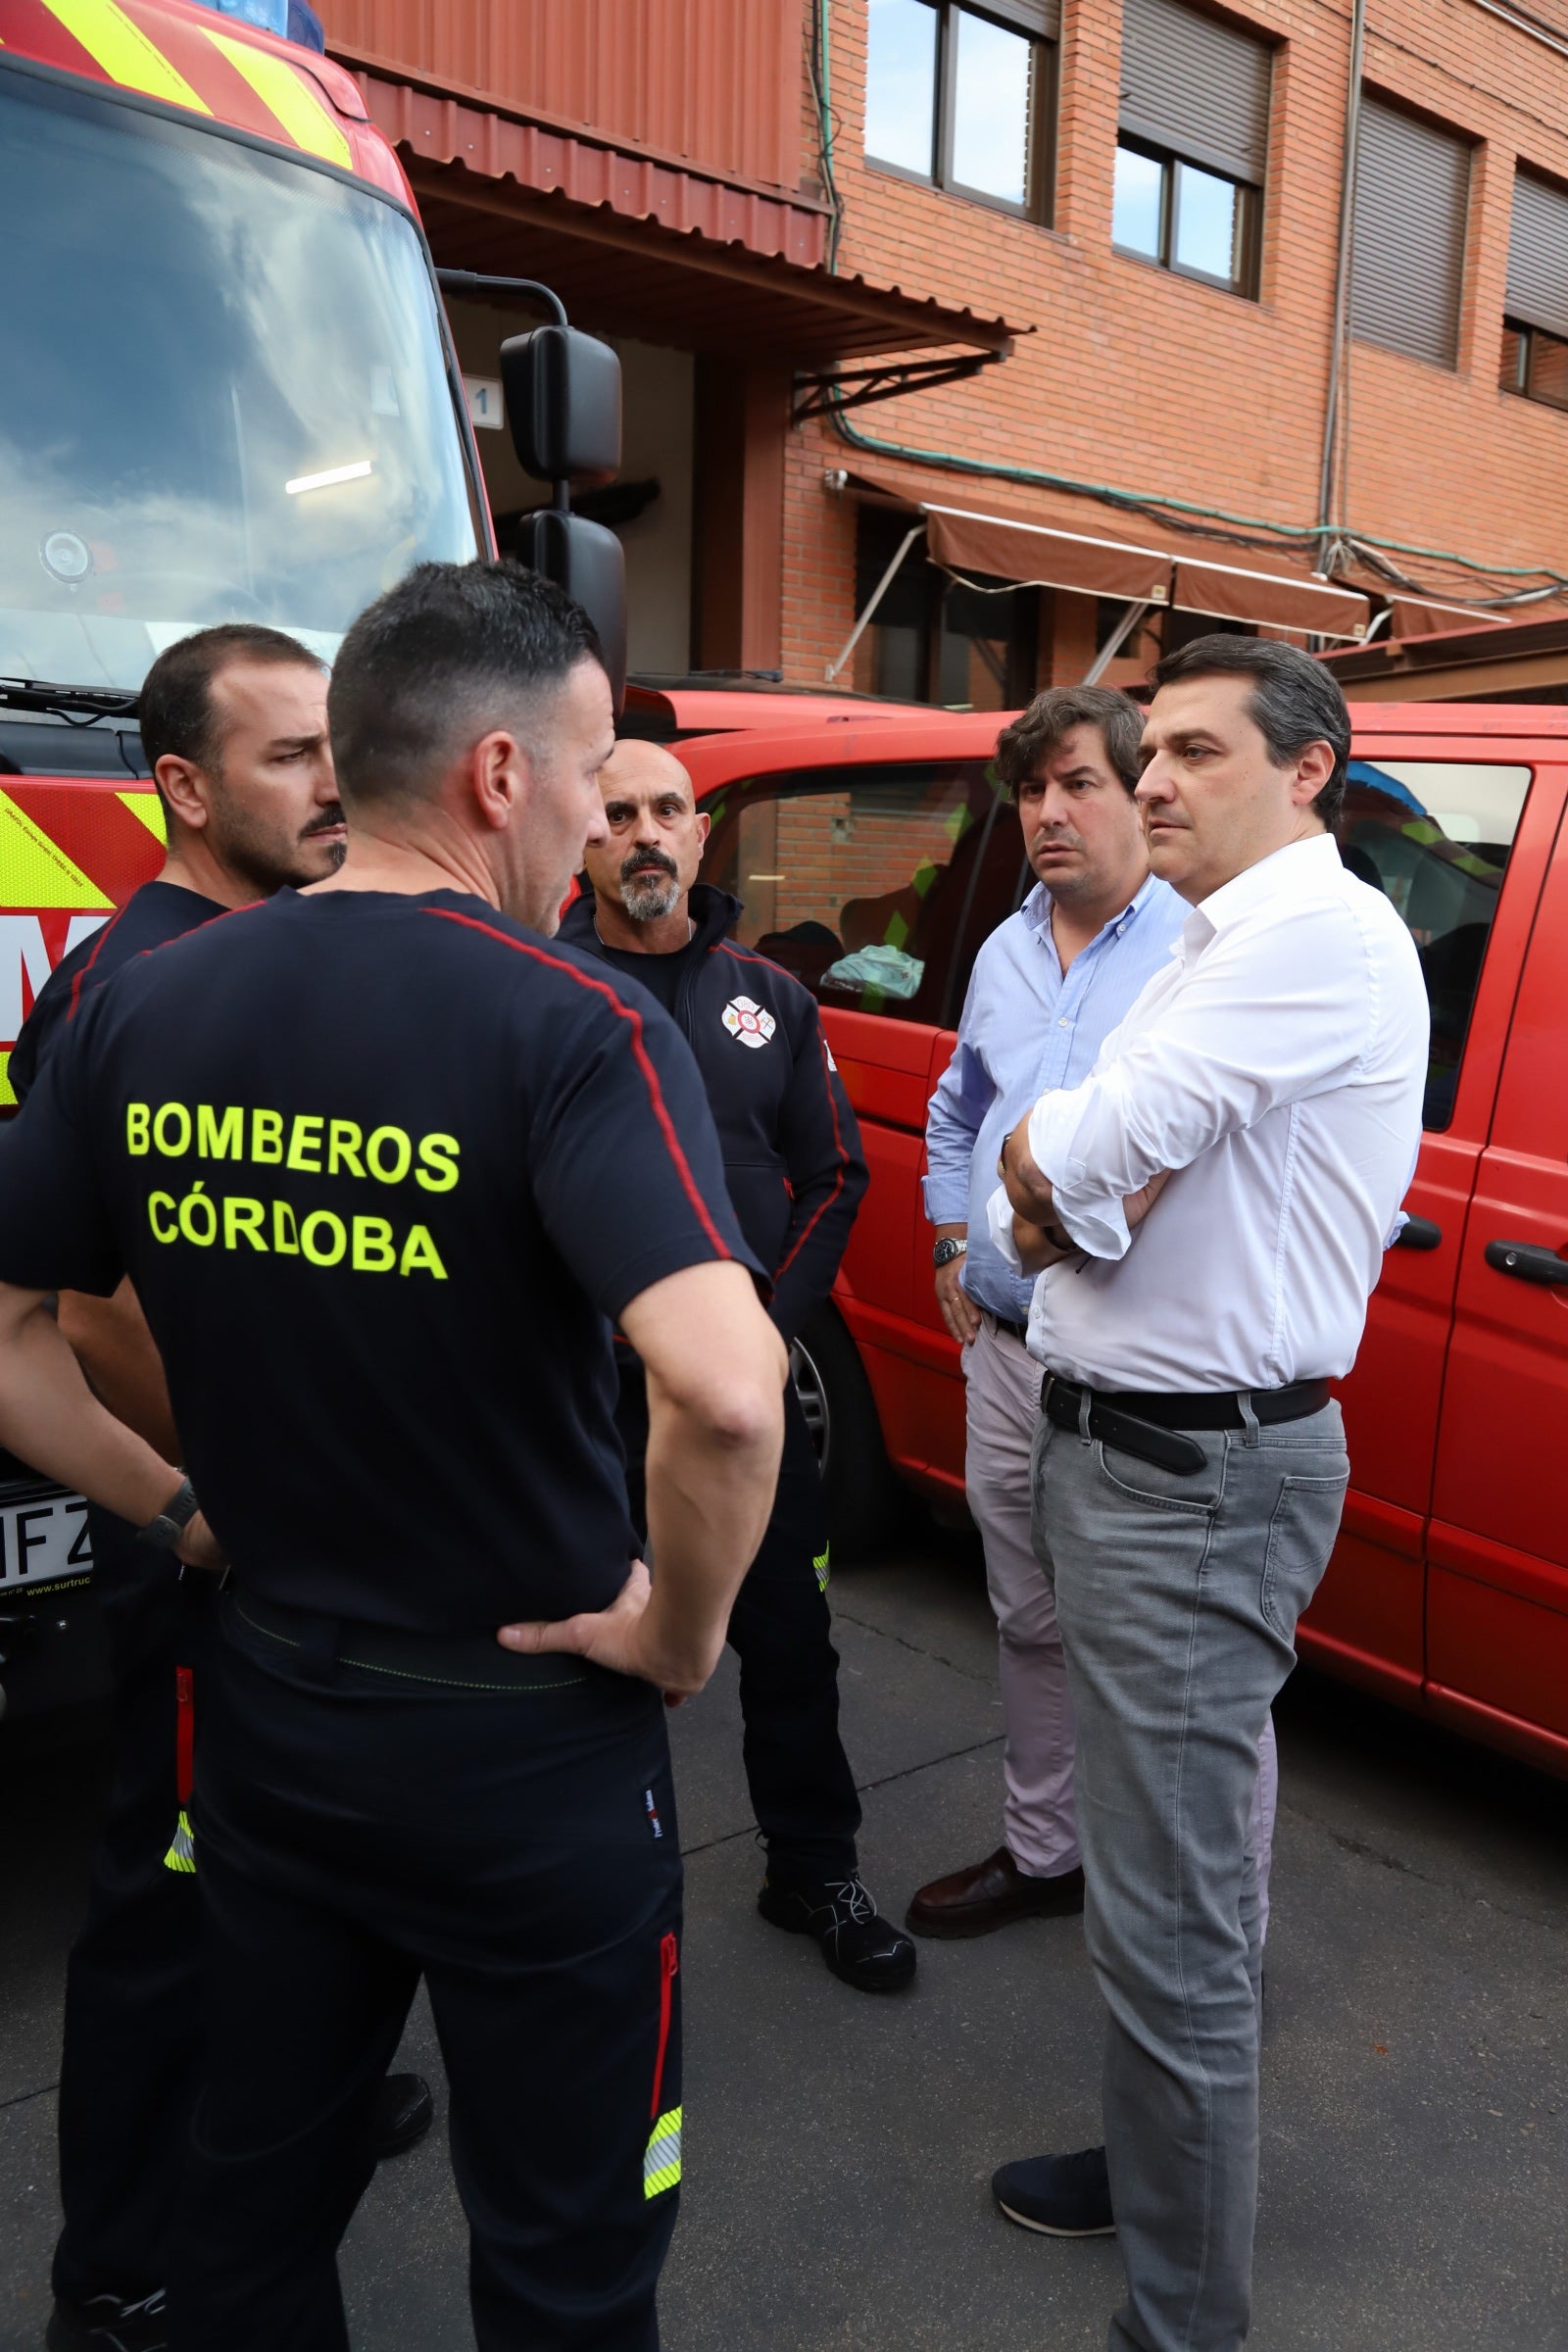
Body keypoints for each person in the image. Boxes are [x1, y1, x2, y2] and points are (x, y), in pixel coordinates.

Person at [0, 561, 786, 2352]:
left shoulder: (139, 995)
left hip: (272, 1717)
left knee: (254, 2207)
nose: (598, 818)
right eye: (589, 773)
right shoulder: (575, 1020)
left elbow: (14, 1333)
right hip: (528, 1746)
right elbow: (731, 1393)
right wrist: (677, 1636)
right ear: (500, 775)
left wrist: (177, 1510)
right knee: (568, 2256)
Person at [987, 637, 1427, 2352]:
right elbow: (1057, 1185)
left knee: (1171, 1919)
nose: (1152, 779)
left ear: (1308, 771)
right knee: (1161, 1887)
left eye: (1193, 752)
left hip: (1189, 1472)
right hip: (1145, 1456)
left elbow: (1079, 1155)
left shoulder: (1311, 933)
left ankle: (1182, 2326)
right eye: (1149, 750)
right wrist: (1059, 1178)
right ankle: (1156, 2172)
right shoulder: (1215, 936)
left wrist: (1056, 1173)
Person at [11, 625, 432, 2352]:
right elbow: (88, 1308)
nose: (338, 781)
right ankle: (114, 2267)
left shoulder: (264, 950)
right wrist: (235, 1489)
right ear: (183, 787)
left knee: (282, 1883)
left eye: (341, 745)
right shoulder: (134, 983)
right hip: (209, 1545)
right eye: (291, 756)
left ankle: (294, 2110)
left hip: (285, 1551)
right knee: (168, 1906)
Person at [561, 740, 915, 1993]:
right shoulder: (538, 983)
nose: (645, 833)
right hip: (585, 1400)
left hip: (745, 1392)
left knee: (790, 1641)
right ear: (580, 834)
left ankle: (813, 1870)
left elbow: (834, 1174)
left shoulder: (771, 996)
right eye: (616, 813)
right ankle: (590, 1899)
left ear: (701, 835)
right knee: (587, 1650)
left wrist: (763, 1330)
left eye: (668, 810)